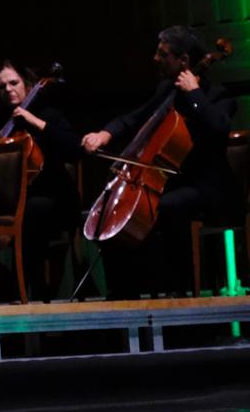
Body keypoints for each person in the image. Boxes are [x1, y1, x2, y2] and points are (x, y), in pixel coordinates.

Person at [81, 26, 239, 297]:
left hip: (206, 187)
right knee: (113, 212)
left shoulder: (218, 96)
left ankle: (179, 291)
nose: (155, 58)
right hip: (168, 183)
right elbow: (134, 118)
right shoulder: (166, 91)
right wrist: (104, 133)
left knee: (164, 209)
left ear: (184, 61)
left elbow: (218, 127)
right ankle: (123, 296)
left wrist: (194, 94)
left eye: (163, 54)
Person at [0, 61, 80, 299]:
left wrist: (33, 121)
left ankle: (20, 288)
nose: (8, 89)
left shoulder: (47, 114)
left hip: (55, 198)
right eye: (2, 86)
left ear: (28, 84)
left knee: (32, 212)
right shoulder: (1, 122)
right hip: (15, 202)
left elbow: (75, 149)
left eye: (14, 83)